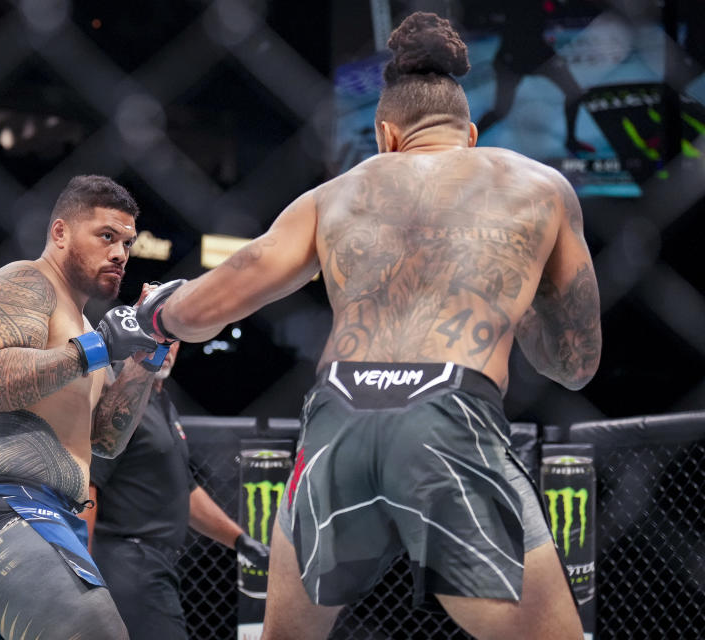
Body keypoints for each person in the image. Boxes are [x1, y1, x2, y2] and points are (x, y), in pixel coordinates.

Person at [135, 12, 601, 640]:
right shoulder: (540, 187)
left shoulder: (338, 193)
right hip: (450, 411)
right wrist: (513, 303)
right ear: (471, 132)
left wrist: (153, 313)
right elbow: (576, 363)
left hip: (338, 415)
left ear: (385, 134)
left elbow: (207, 306)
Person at [0, 175, 169, 640]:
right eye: (106, 236)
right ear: (60, 233)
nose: (120, 253)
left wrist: (148, 354)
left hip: (49, 515)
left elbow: (106, 440)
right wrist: (99, 346)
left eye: (127, 242)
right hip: (1, 507)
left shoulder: (81, 325)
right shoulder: (25, 284)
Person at [76, 340, 271, 639]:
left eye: (173, 339)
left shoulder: (162, 402)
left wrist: (241, 541)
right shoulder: (120, 400)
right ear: (135, 338)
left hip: (155, 565)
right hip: (125, 564)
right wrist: (83, 577)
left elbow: (186, 492)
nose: (167, 348)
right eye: (157, 337)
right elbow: (88, 485)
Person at [474, 2, 596, 154]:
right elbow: (514, 30)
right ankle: (468, 142)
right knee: (501, 110)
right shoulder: (520, 8)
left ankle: (571, 140)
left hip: (536, 55)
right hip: (515, 58)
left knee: (574, 93)